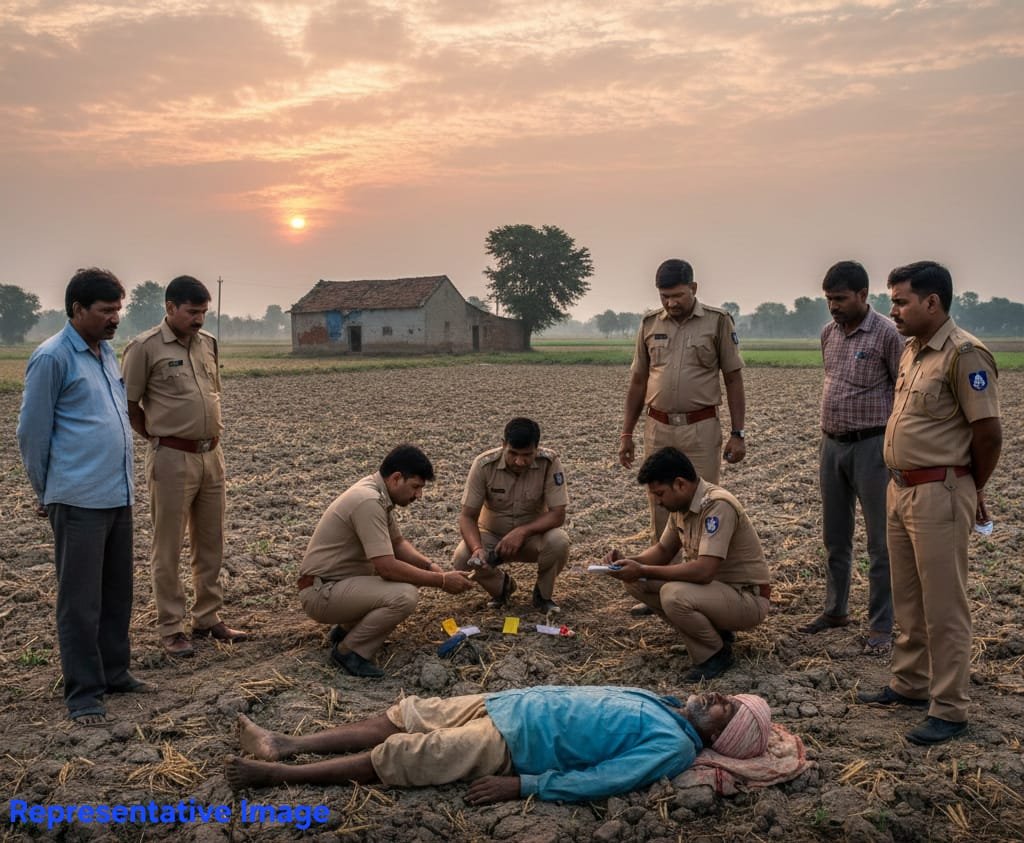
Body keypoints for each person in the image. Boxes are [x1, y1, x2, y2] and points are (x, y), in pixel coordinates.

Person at [858, 261, 1001, 746]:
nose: (892, 310)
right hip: (900, 489)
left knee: (945, 605)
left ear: (932, 302)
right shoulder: (912, 351)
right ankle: (910, 683)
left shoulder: (965, 355)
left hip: (940, 490)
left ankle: (950, 708)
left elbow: (988, 433)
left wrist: (968, 486)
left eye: (900, 301)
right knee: (911, 599)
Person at [224, 686, 773, 803]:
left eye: (722, 705)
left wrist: (525, 785)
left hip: (514, 743)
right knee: (403, 715)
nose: (713, 696)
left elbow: (608, 779)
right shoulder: (665, 704)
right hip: (510, 702)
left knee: (403, 757)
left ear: (718, 732)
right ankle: (286, 742)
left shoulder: (674, 745)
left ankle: (278, 776)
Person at [17, 268, 153, 725]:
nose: (115, 318)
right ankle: (83, 692)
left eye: (118, 309)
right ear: (77, 310)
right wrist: (46, 490)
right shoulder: (52, 357)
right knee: (80, 600)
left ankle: (115, 671)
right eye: (105, 310)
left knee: (118, 592)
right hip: (77, 498)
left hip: (117, 493)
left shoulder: (106, 352)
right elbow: (31, 433)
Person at [122, 275, 246, 657]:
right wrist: (161, 439)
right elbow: (129, 405)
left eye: (204, 312)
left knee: (211, 543)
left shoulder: (208, 344)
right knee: (169, 546)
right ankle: (172, 627)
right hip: (171, 458)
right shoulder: (144, 348)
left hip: (212, 455)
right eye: (192, 312)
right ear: (170, 307)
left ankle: (207, 617)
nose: (199, 319)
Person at [298, 444, 475, 678]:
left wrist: (430, 567)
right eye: (415, 487)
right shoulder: (369, 501)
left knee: (404, 583)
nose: (418, 496)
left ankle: (345, 631)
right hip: (322, 592)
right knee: (404, 595)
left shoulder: (377, 494)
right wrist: (442, 581)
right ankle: (351, 652)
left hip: (334, 584)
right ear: (396, 478)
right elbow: (387, 568)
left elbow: (398, 543)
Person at [799, 261, 902, 654]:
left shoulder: (888, 335)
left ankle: (881, 626)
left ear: (863, 295)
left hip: (873, 446)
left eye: (840, 299)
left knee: (881, 542)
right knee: (835, 536)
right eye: (828, 299)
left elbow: (902, 389)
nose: (833, 307)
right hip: (833, 445)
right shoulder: (829, 334)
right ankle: (835, 610)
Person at [605, 447, 771, 681]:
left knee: (674, 594)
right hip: (716, 593)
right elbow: (663, 551)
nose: (659, 502)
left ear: (680, 484)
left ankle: (715, 654)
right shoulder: (681, 506)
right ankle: (709, 636)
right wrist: (628, 563)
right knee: (636, 582)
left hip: (746, 599)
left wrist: (642, 569)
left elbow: (704, 571)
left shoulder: (717, 506)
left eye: (660, 494)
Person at [619, 259, 746, 546]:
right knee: (660, 503)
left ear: (693, 287)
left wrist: (738, 433)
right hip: (658, 429)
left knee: (703, 502)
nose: (671, 303)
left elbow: (734, 379)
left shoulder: (718, 321)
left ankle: (701, 573)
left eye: (677, 295)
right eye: (664, 296)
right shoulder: (650, 323)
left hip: (700, 429)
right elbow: (638, 381)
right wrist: (626, 434)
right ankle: (663, 577)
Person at [452, 417, 570, 614]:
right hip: (492, 537)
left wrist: (523, 532)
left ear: (537, 449)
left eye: (527, 455)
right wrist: (477, 548)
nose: (519, 461)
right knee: (463, 558)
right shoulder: (483, 465)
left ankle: (543, 595)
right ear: (503, 445)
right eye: (513, 453)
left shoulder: (549, 462)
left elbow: (558, 514)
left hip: (532, 538)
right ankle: (502, 588)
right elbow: (467, 517)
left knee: (559, 541)